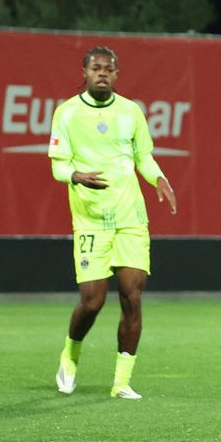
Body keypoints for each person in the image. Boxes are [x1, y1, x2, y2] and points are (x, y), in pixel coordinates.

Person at [49, 46, 177, 400]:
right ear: (85, 72)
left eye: (108, 68)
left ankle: (121, 381)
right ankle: (70, 354)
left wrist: (159, 179)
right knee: (92, 302)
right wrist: (76, 175)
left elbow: (143, 157)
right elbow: (58, 165)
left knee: (132, 297)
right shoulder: (67, 113)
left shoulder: (130, 111)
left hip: (130, 218)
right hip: (91, 220)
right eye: (96, 68)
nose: (102, 73)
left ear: (117, 74)